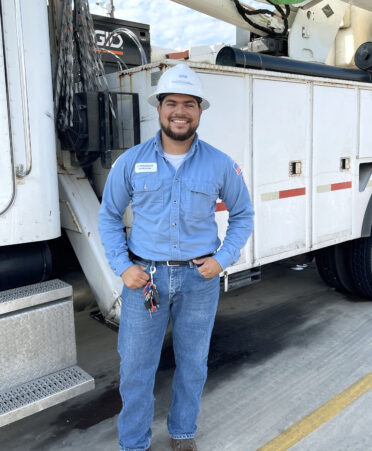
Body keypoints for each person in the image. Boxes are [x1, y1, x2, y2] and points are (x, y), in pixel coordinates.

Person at [98, 63, 254, 451]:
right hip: (144, 280)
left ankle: (183, 433)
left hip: (198, 281)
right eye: (172, 103)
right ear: (159, 108)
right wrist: (122, 267)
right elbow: (108, 216)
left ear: (200, 110)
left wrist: (223, 258)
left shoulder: (219, 163)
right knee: (135, 369)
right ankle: (133, 442)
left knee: (192, 365)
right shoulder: (131, 161)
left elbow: (243, 214)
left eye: (189, 103)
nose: (179, 111)